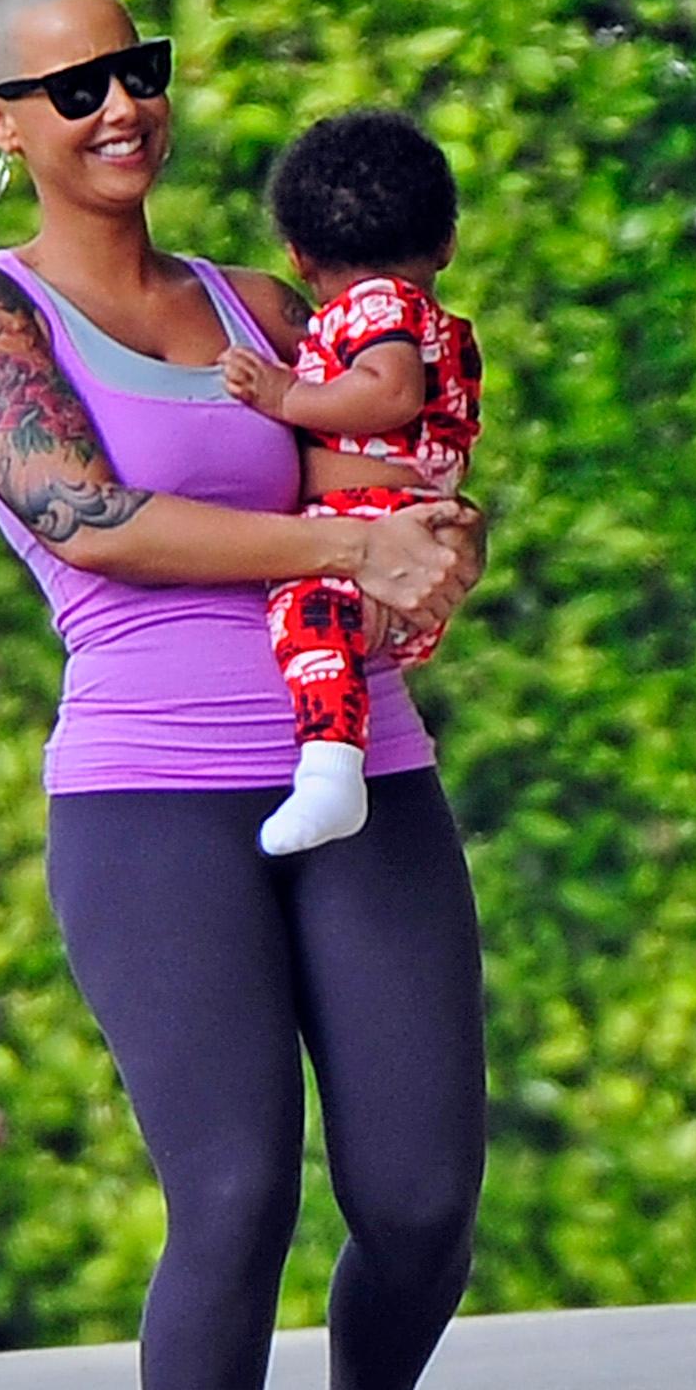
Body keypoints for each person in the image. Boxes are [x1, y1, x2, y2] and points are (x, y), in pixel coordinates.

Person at [0, 0, 489, 1390]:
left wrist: (436, 547)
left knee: (419, 1197)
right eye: (69, 86)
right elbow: (85, 516)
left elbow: (403, 472)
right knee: (233, 1192)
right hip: (150, 787)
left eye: (135, 72)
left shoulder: (266, 301)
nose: (116, 109)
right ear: (1, 126)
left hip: (361, 764)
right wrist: (337, 535)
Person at [217, 110, 484, 858]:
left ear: (300, 258)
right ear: (447, 242)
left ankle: (332, 771)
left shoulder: (374, 306)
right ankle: (332, 771)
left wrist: (283, 398)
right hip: (413, 531)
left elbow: (390, 393)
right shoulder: (429, 314)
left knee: (308, 619)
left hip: (374, 523)